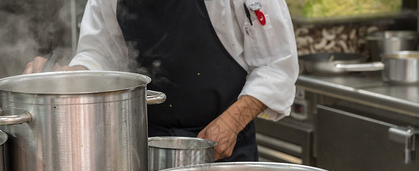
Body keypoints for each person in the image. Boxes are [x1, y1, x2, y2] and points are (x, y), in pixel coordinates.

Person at [24, 0, 299, 162]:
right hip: (143, 150)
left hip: (224, 151)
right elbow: (101, 53)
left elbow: (277, 66)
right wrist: (69, 77)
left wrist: (231, 123)